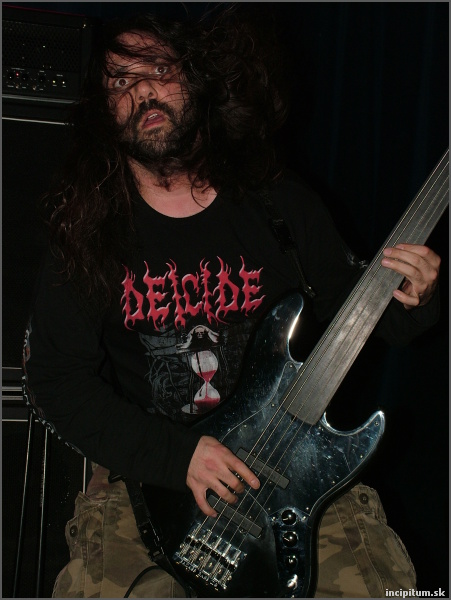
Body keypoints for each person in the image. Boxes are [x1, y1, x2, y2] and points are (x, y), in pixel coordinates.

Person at [22, 9, 441, 599]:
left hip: (291, 469)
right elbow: (54, 380)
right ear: (102, 107)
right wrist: (178, 457)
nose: (142, 92)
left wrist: (416, 297)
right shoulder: (89, 232)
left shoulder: (280, 207)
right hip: (153, 477)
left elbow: (376, 320)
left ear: (198, 77)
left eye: (160, 70)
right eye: (119, 80)